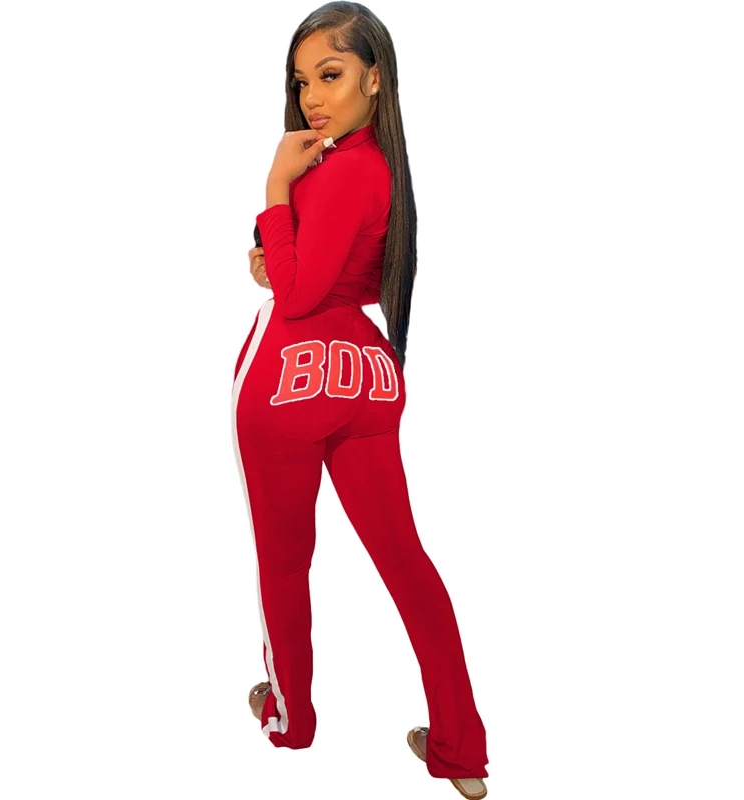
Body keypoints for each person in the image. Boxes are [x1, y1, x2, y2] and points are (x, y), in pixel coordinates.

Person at [232, 3, 489, 797]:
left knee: (284, 560)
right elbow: (342, 273)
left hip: (289, 377)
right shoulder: (379, 165)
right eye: (301, 81)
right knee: (407, 561)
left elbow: (298, 296)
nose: (312, 96)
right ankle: (462, 749)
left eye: (331, 74)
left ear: (375, 78)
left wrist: (275, 186)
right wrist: (277, 251)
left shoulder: (335, 168)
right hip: (368, 377)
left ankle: (291, 718)